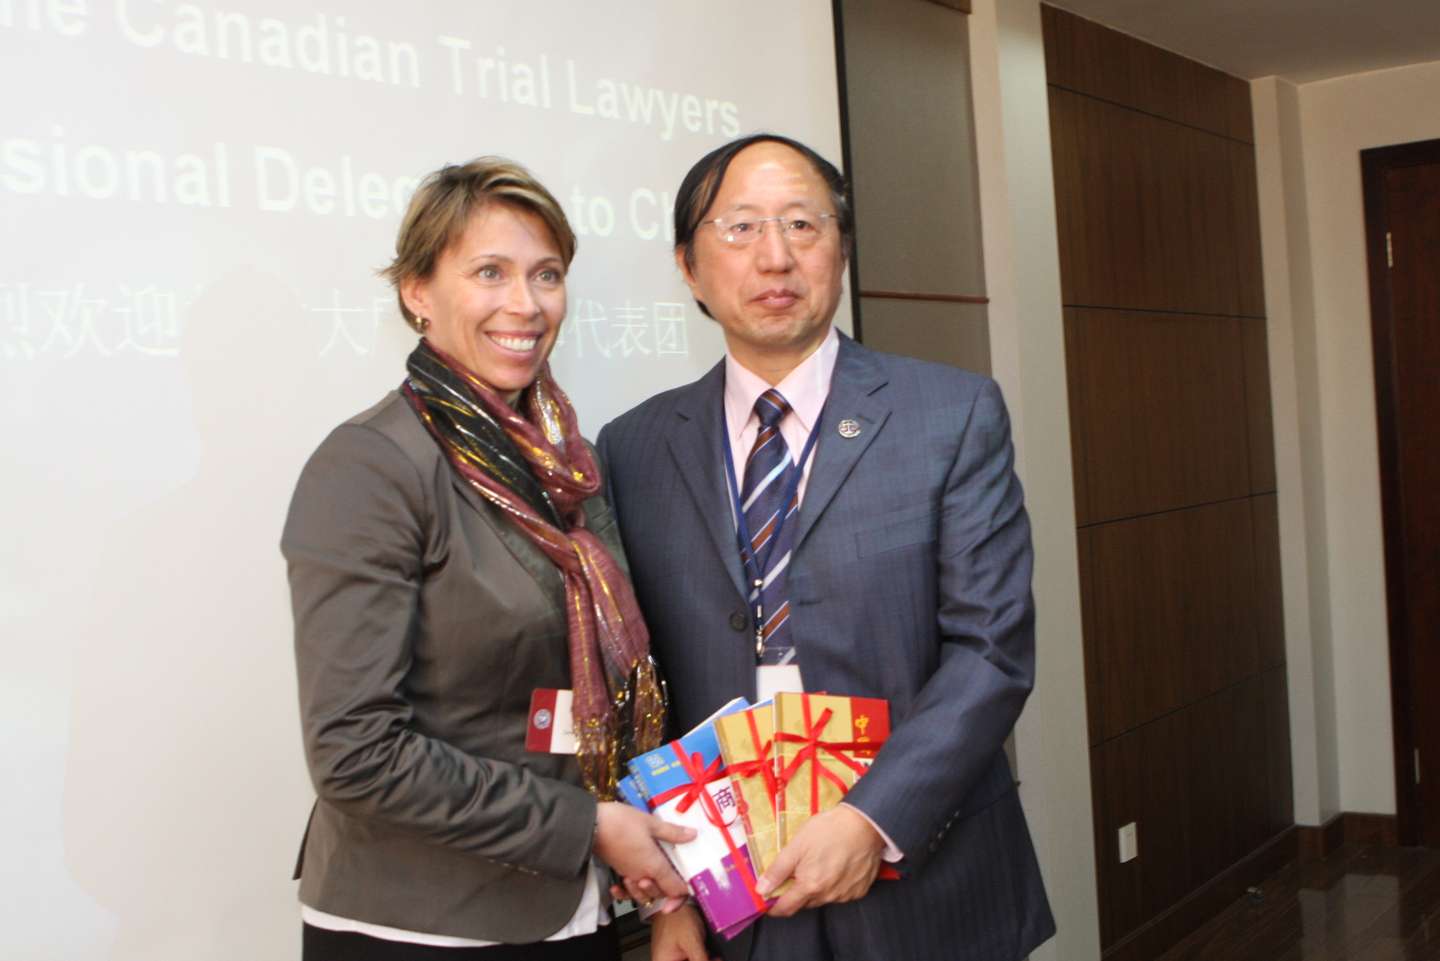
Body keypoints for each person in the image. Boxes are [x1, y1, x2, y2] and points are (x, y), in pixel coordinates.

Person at [596, 135, 1056, 961]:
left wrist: (873, 817)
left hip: (928, 883)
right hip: (731, 894)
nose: (775, 256)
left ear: (842, 248)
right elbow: (639, 683)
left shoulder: (950, 413)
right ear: (689, 266)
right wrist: (670, 893)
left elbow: (991, 649)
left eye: (803, 224)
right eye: (740, 227)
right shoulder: (633, 446)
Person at [281, 157, 693, 961]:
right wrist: (585, 825)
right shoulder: (371, 465)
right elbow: (355, 754)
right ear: (417, 292)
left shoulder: (568, 462)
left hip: (577, 906)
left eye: (547, 274)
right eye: (489, 272)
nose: (526, 304)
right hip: (423, 925)